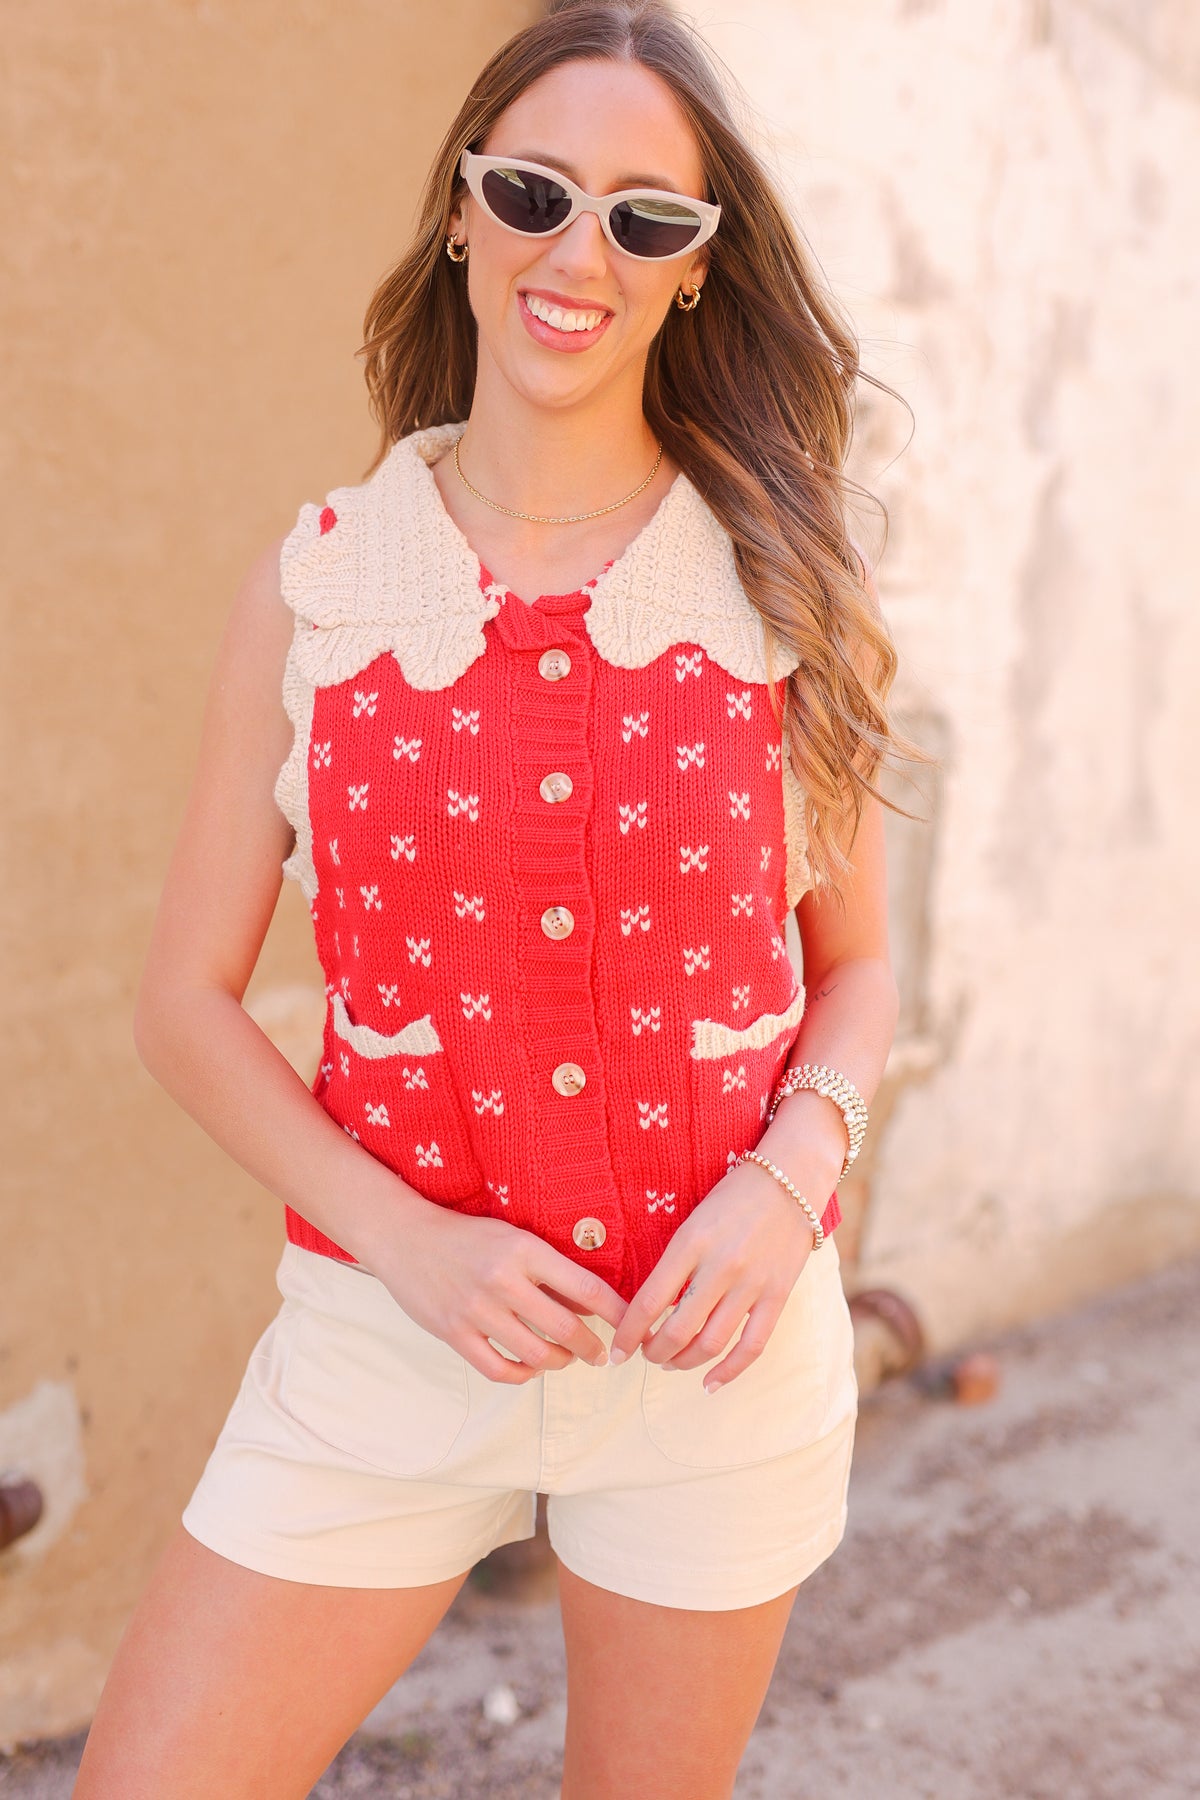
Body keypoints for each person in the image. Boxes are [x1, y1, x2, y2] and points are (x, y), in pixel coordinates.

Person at [76, 3, 919, 1794]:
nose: (578, 251)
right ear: (461, 209)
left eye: (646, 216)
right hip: (384, 1343)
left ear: (698, 271)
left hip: (713, 1364)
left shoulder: (786, 589)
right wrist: (407, 1241)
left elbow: (855, 978)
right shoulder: (318, 590)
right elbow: (182, 1005)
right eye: (535, 189)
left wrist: (786, 1192)